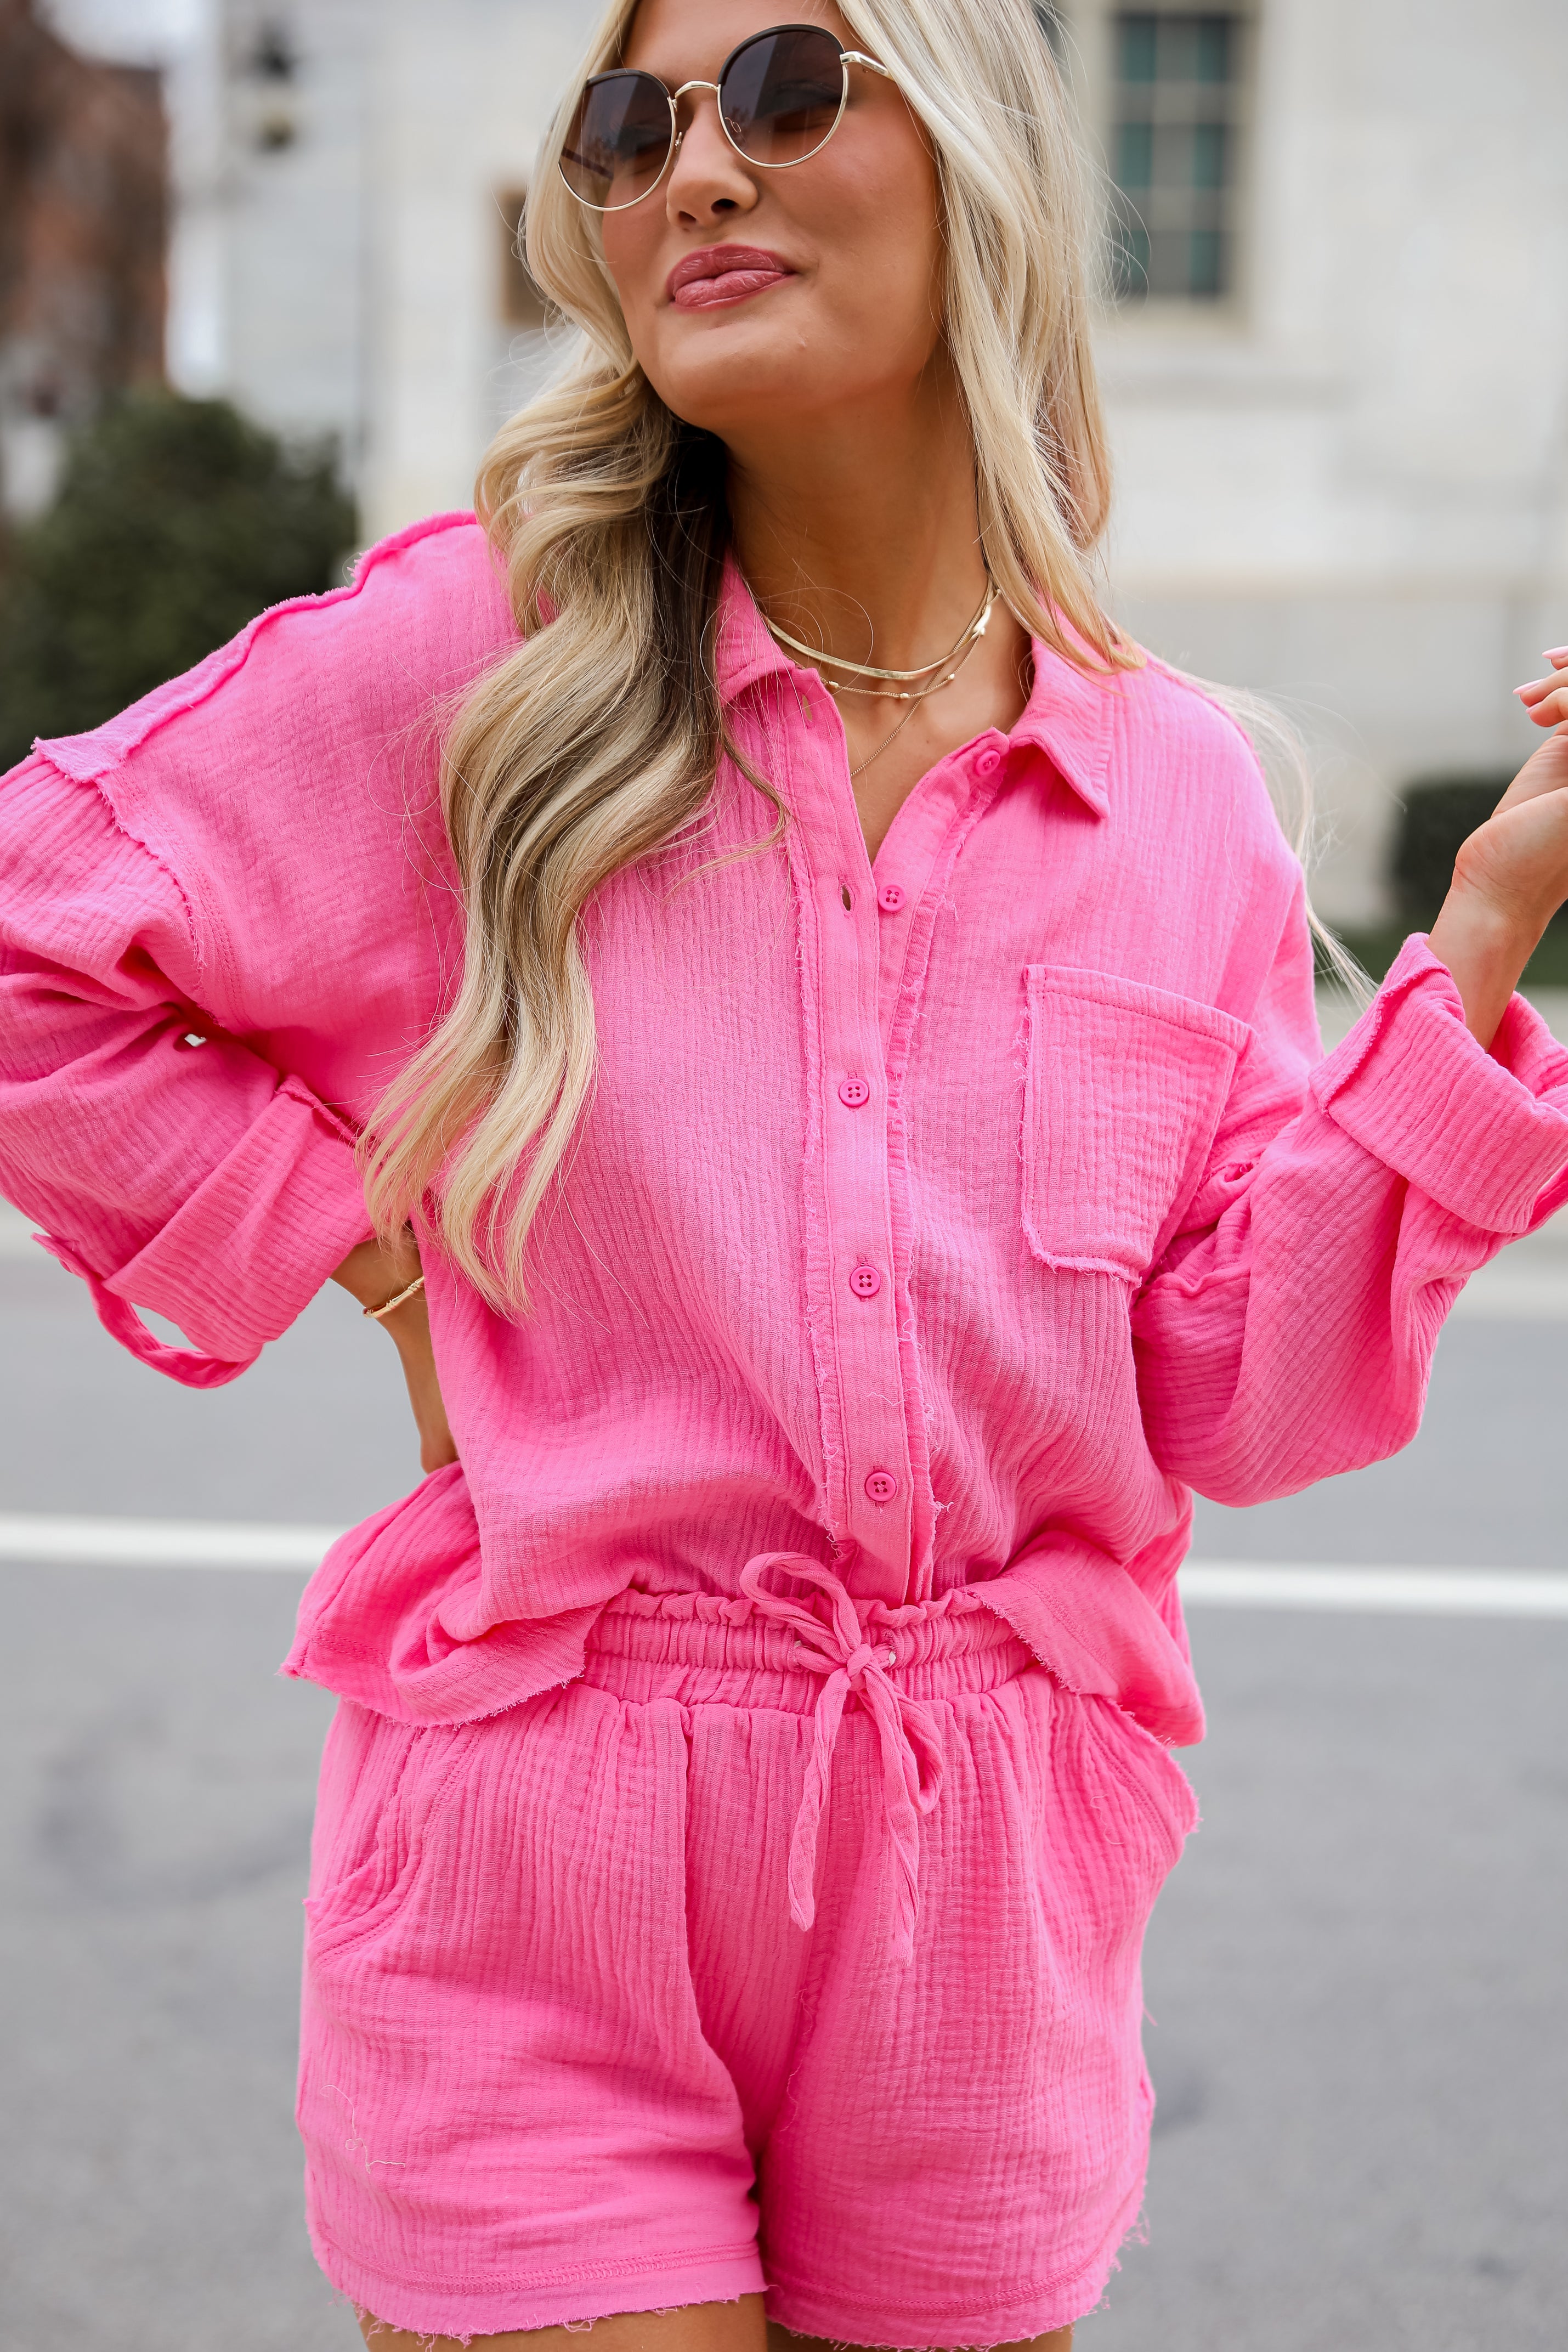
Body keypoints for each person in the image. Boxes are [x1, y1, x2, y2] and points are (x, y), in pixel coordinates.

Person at [2, 1, 1567, 2345]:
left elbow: (1228, 1391)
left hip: (989, 1895)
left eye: (788, 91)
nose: (693, 171)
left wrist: (1472, 948)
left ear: (983, 162)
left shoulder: (1173, 800)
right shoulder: (484, 667)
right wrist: (366, 1260)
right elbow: (38, 936)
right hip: (540, 1849)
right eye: (634, 126)